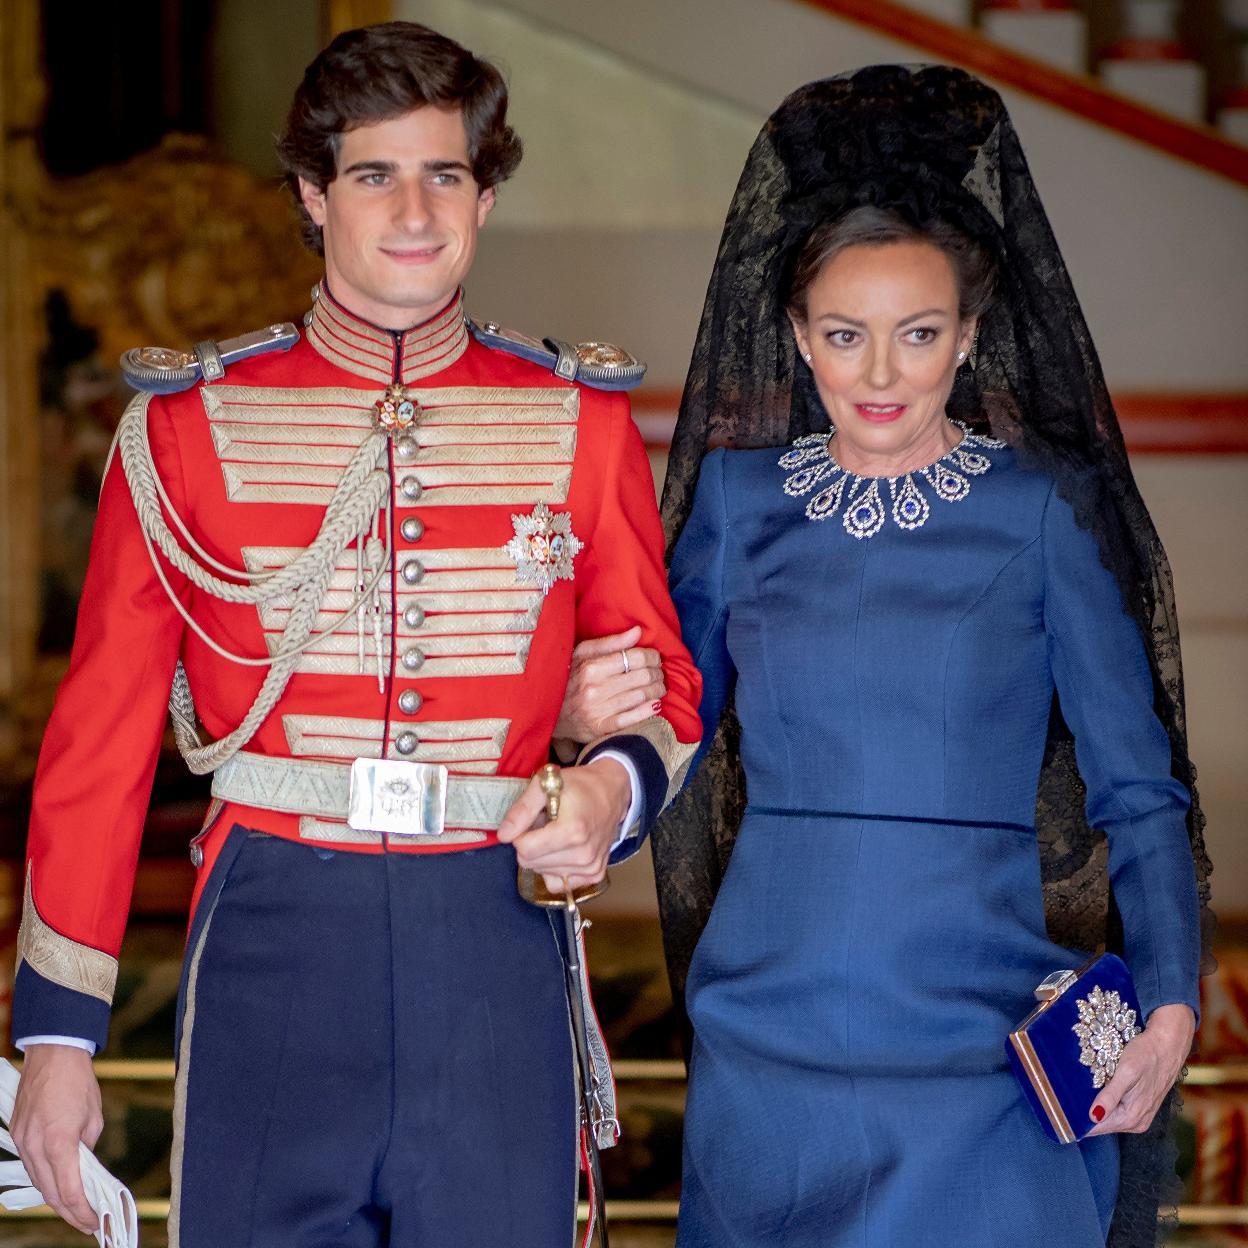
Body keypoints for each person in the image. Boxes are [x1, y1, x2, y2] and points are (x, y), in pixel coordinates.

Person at [8, 21, 701, 1247]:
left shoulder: (577, 422)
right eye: (375, 174)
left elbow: (663, 688)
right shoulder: (186, 427)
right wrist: (58, 1038)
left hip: (494, 925)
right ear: (314, 195)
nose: (415, 210)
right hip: (274, 928)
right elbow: (100, 740)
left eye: (446, 174)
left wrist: (608, 791)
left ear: (486, 199)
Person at [653, 66, 1211, 1246]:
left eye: (917, 335)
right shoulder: (738, 505)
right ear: (798, 338)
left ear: (967, 338)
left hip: (986, 1041)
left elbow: (1140, 790)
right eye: (843, 335)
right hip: (769, 1040)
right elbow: (661, 732)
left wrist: (1170, 1001)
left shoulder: (1041, 512)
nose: (878, 375)